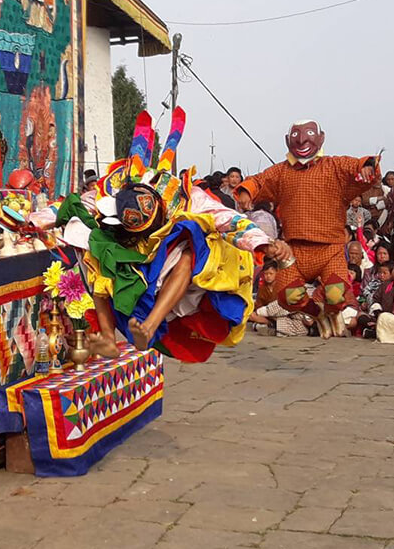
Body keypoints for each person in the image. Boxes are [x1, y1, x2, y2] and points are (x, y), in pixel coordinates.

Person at [58, 108, 292, 363]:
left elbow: (229, 220)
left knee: (191, 240)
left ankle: (150, 326)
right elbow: (67, 208)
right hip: (134, 261)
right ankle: (107, 336)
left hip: (174, 272)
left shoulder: (184, 197)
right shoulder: (111, 193)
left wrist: (264, 243)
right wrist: (25, 218)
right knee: (92, 242)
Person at [236, 119, 377, 339]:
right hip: (293, 251)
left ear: (321, 138)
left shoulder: (334, 166)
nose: (302, 139)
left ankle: (332, 313)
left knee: (335, 293)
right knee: (290, 296)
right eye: (296, 135)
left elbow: (356, 167)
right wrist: (247, 192)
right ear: (287, 140)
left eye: (309, 133)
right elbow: (259, 181)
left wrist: (367, 166)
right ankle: (317, 315)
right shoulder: (281, 172)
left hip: (329, 248)